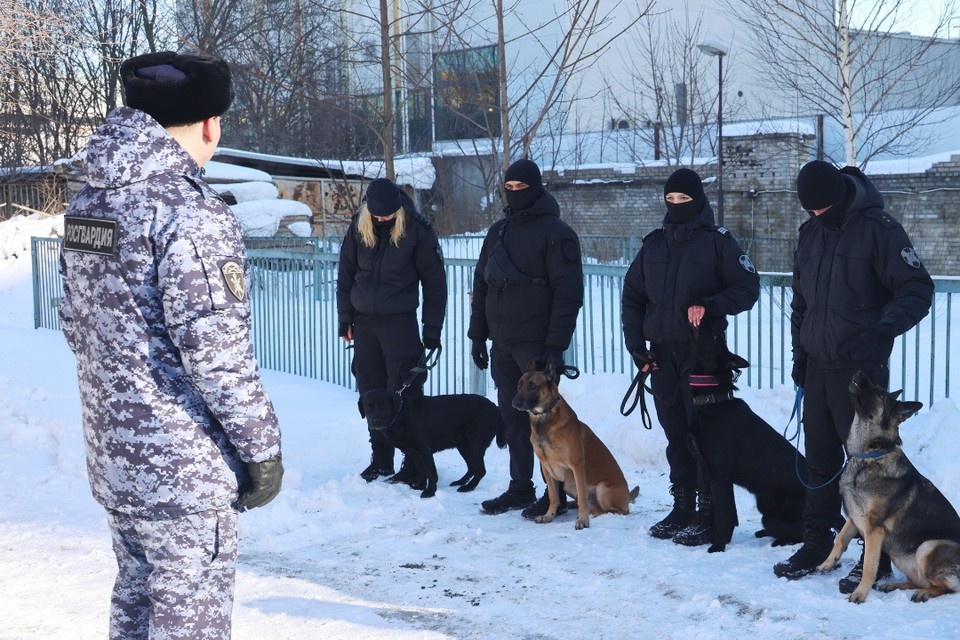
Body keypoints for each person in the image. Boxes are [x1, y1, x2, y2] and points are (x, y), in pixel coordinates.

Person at [58, 51, 283, 640]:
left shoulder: (90, 203)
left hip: (116, 461)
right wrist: (262, 453)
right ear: (210, 125)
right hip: (184, 469)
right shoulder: (190, 213)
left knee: (134, 612)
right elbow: (217, 355)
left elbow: (76, 321)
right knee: (190, 623)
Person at [774, 160, 933, 588]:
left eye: (822, 209)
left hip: (861, 372)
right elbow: (801, 304)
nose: (816, 216)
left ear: (840, 196)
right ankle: (815, 540)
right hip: (819, 366)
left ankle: (873, 554)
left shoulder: (880, 229)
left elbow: (918, 290)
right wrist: (800, 355)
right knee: (819, 460)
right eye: (809, 210)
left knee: (866, 467)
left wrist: (882, 330)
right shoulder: (810, 232)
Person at [621, 167, 760, 545]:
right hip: (662, 357)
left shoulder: (718, 242)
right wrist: (638, 348)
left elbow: (748, 288)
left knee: (705, 438)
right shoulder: (652, 244)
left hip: (704, 357)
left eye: (684, 199)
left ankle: (709, 510)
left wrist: (710, 305)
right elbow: (632, 296)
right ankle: (682, 504)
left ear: (697, 200)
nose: (677, 205)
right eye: (671, 199)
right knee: (676, 435)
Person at [468, 158, 584, 517]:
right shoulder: (498, 232)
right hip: (502, 344)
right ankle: (520, 487)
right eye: (510, 188)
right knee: (514, 421)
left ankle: (558, 496)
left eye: (521, 188)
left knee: (549, 426)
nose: (515, 193)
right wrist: (477, 335)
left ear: (536, 189)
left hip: (536, 346)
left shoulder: (557, 233)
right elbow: (481, 286)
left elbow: (569, 293)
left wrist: (555, 346)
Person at [337, 177, 447, 484]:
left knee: (405, 392)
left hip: (400, 323)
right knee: (371, 392)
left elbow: (435, 283)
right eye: (377, 214)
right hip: (364, 325)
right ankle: (381, 459)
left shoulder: (417, 230)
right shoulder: (358, 228)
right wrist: (345, 319)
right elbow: (345, 275)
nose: (382, 219)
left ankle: (413, 463)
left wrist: (432, 329)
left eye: (388, 214)